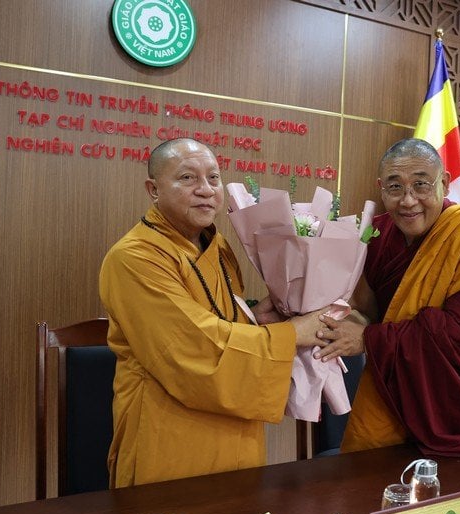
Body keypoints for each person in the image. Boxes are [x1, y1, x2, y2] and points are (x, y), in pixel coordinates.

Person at [99, 138, 325, 488]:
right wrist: (293, 333)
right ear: (153, 189)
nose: (206, 190)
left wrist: (255, 316)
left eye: (214, 178)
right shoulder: (133, 258)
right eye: (188, 178)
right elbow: (191, 348)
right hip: (171, 437)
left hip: (237, 427)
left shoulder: (216, 244)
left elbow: (218, 316)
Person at [315, 138, 460, 456]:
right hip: (399, 389)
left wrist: (370, 338)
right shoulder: (375, 237)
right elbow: (361, 308)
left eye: (421, 185)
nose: (408, 201)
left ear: (446, 183)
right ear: (381, 189)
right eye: (395, 188)